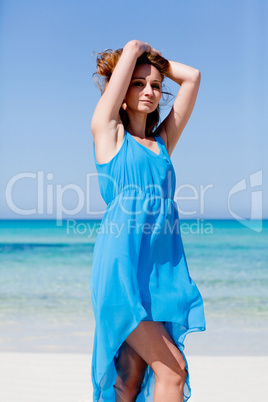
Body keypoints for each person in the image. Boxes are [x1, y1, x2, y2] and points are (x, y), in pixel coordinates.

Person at [90, 39, 206, 402]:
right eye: (138, 83)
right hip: (121, 272)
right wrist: (136, 48)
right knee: (172, 370)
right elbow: (117, 92)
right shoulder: (109, 134)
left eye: (155, 85)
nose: (149, 91)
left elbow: (192, 78)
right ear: (121, 91)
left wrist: (156, 62)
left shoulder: (162, 144)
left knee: (131, 377)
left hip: (158, 277)